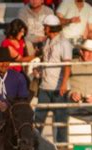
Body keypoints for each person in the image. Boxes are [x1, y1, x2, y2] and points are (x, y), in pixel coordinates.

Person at [34, 14, 72, 143]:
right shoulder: (47, 41)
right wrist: (39, 69)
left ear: (50, 28)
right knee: (38, 119)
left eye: (46, 27)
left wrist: (64, 84)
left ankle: (62, 145)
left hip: (58, 87)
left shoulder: (64, 43)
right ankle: (34, 143)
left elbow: (67, 66)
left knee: (60, 120)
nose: (44, 29)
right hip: (45, 86)